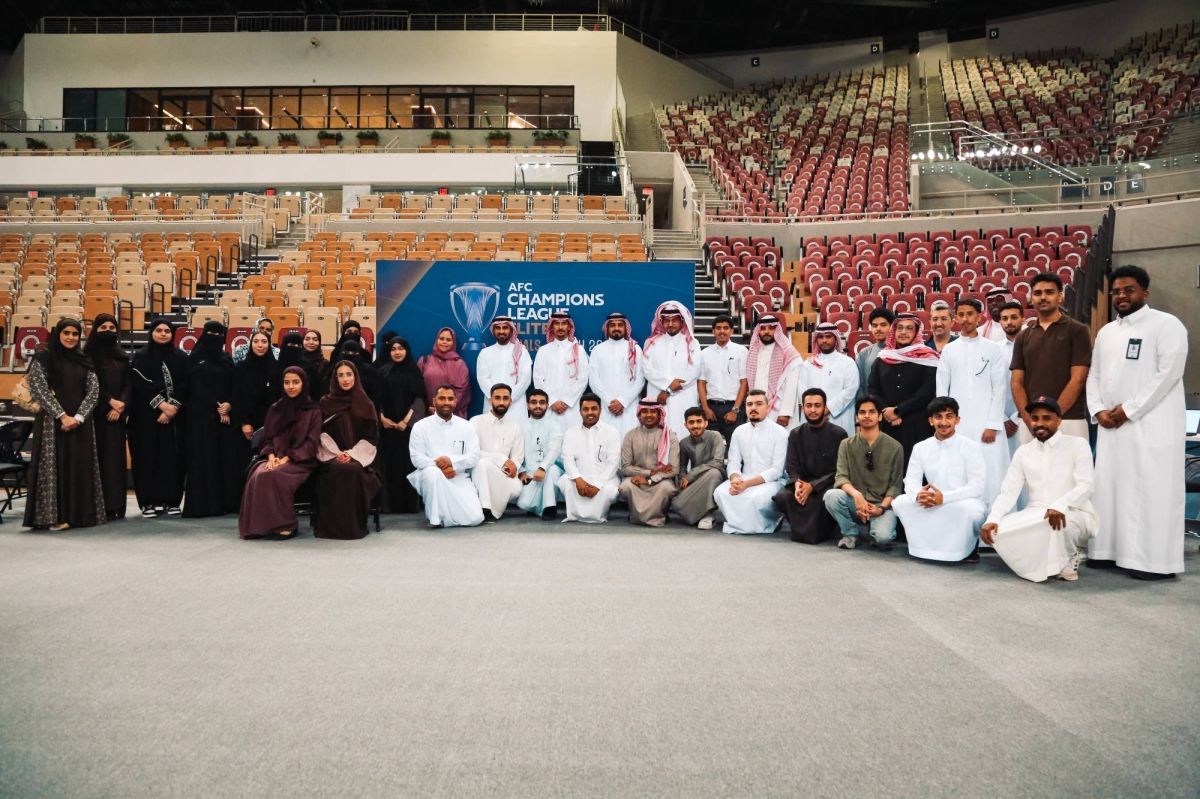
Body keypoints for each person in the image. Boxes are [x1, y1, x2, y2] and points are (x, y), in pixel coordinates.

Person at [1086, 265, 1188, 580]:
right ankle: (1107, 551)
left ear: (1145, 292)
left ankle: (1152, 562)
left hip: (1151, 425)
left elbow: (1168, 374)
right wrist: (1098, 410)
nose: (1121, 295)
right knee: (1110, 488)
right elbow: (1094, 375)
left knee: (1150, 491)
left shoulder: (1166, 325)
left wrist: (1128, 410)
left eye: (1128, 290)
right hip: (1111, 427)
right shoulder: (1106, 332)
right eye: (1116, 291)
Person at [980, 397, 1097, 582]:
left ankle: (1070, 555)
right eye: (1035, 418)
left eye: (1046, 418)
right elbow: (1008, 491)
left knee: (1059, 522)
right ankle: (1043, 560)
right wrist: (992, 519)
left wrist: (1060, 505)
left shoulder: (1077, 444)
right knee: (998, 531)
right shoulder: (1023, 452)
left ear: (1059, 420)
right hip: (1035, 513)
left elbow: (1086, 485)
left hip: (1074, 511)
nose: (1040, 423)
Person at [22, 319, 106, 530]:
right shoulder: (44, 358)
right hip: (52, 423)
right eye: (66, 333)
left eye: (75, 334)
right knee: (54, 467)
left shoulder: (84, 360)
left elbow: (93, 392)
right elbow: (38, 389)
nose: (71, 337)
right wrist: (62, 416)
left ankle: (78, 516)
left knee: (78, 466)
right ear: (57, 334)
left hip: (80, 424)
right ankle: (53, 516)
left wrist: (78, 417)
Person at [892, 397, 986, 562]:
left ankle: (968, 547)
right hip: (930, 500)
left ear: (957, 420)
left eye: (949, 416)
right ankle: (926, 548)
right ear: (930, 421)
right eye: (938, 417)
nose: (943, 422)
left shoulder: (971, 447)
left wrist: (944, 498)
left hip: (960, 501)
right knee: (900, 502)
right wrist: (919, 495)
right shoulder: (921, 447)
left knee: (973, 512)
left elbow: (977, 486)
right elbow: (910, 480)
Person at [936, 298, 1010, 506]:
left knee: (990, 470)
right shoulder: (949, 350)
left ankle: (992, 519)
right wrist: (944, 423)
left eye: (970, 314)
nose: (965, 319)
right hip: (958, 424)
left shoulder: (992, 349)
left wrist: (993, 425)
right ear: (956, 318)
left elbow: (999, 389)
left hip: (986, 424)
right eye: (961, 314)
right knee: (959, 470)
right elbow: (942, 390)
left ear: (980, 317)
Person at [239, 366, 322, 540]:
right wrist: (271, 456)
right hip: (274, 457)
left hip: (301, 461)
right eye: (287, 382)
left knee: (273, 475)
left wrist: (286, 458)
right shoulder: (276, 408)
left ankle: (286, 525)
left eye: (296, 382)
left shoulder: (313, 410)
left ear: (304, 383)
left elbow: (311, 444)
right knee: (258, 473)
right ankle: (259, 526)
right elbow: (267, 439)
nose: (291, 386)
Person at [1010, 272, 1091, 443]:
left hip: (1069, 419)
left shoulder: (1077, 330)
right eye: (1037, 293)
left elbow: (1078, 379)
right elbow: (1016, 382)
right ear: (1031, 298)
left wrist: (1053, 416)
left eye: (1049, 292)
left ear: (1060, 297)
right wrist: (1029, 419)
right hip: (1031, 423)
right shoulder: (1023, 336)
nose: (1043, 297)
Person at [824, 395, 905, 549]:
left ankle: (869, 531)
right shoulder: (846, 444)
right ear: (857, 417)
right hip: (855, 503)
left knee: (883, 537)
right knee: (831, 496)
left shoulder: (895, 447)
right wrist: (857, 495)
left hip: (881, 505)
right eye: (862, 412)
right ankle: (851, 534)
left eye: (872, 412)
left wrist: (880, 509)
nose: (867, 416)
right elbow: (841, 477)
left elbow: (895, 487)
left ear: (880, 416)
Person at [314, 361, 382, 539]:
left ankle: (353, 528)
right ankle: (330, 528)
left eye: (349, 374)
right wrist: (337, 454)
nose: (345, 379)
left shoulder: (365, 403)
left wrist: (352, 454)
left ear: (355, 377)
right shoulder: (325, 403)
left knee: (351, 470)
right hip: (330, 456)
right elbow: (320, 434)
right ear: (335, 378)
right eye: (341, 375)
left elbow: (371, 438)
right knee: (337, 469)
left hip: (361, 459)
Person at [182, 321, 243, 517]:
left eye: (219, 334)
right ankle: (203, 506)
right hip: (200, 418)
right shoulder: (195, 358)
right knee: (202, 460)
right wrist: (218, 407)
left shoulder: (226, 358)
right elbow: (195, 386)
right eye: (211, 333)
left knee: (224, 460)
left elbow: (235, 384)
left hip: (225, 420)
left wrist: (228, 405)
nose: (215, 337)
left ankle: (225, 503)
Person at [128, 318, 187, 517]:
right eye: (159, 330)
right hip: (146, 418)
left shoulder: (180, 357)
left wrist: (173, 407)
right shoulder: (141, 357)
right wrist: (162, 405)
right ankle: (148, 502)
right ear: (151, 332)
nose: (163, 334)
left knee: (172, 459)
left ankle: (171, 501)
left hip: (174, 419)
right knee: (146, 458)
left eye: (167, 331)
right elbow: (140, 384)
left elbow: (185, 383)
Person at [772, 388, 848, 544]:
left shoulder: (839, 434)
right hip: (802, 483)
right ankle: (804, 528)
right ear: (803, 408)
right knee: (782, 497)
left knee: (823, 500)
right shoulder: (795, 434)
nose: (813, 410)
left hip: (827, 484)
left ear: (824, 407)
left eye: (817, 405)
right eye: (809, 405)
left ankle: (823, 529)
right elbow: (791, 466)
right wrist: (797, 484)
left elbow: (839, 470)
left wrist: (813, 486)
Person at [407, 384, 484, 528]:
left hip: (458, 475)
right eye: (442, 398)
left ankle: (446, 517)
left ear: (455, 401)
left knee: (475, 518)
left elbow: (474, 456)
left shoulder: (466, 426)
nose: (446, 402)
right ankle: (435, 519)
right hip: (429, 475)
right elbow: (417, 459)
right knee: (433, 474)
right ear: (434, 401)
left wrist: (452, 463)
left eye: (450, 399)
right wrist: (440, 466)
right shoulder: (420, 426)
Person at [713, 389, 789, 534]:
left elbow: (777, 470)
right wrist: (735, 479)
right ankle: (741, 524)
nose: (753, 408)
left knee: (756, 498)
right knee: (720, 492)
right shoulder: (739, 431)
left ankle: (768, 522)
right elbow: (733, 462)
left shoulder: (780, 432)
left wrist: (746, 484)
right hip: (744, 477)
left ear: (768, 407)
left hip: (771, 481)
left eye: (759, 404)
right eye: (749, 404)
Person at [868, 313, 938, 466]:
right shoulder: (882, 358)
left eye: (909, 328)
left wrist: (898, 411)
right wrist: (887, 411)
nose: (904, 332)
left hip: (917, 424)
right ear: (894, 331)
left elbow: (926, 393)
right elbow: (873, 390)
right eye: (900, 328)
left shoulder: (928, 358)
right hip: (888, 424)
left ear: (916, 332)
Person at [84, 313, 131, 519]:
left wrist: (121, 405)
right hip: (96, 416)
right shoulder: (87, 357)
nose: (108, 331)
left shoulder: (121, 356)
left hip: (117, 418)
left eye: (112, 328)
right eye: (103, 328)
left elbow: (129, 384)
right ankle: (98, 506)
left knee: (115, 462)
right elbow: (88, 385)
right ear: (95, 330)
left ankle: (116, 506)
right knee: (98, 460)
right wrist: (109, 402)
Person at [376, 336, 426, 514]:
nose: (397, 352)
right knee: (389, 465)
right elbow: (377, 398)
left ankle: (409, 505)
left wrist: (406, 421)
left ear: (407, 350)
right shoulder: (383, 371)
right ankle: (389, 505)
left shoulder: (414, 371)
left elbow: (420, 398)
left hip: (408, 429)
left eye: (400, 348)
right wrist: (382, 418)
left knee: (407, 463)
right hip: (387, 429)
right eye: (393, 349)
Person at [557, 393, 621, 524]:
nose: (590, 412)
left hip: (605, 478)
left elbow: (613, 463)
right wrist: (578, 479)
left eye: (594, 409)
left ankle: (598, 514)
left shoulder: (611, 432)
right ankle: (575, 514)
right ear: (580, 411)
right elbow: (567, 459)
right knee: (563, 482)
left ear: (600, 410)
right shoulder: (571, 432)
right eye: (585, 409)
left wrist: (598, 484)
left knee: (610, 491)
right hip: (580, 477)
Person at [642, 301, 702, 438]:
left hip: (683, 395)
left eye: (674, 320)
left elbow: (694, 370)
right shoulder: (651, 342)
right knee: (658, 434)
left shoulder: (692, 342)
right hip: (657, 394)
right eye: (666, 321)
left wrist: (668, 390)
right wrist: (668, 385)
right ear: (661, 322)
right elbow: (646, 369)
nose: (670, 324)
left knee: (683, 431)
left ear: (682, 321)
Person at [618, 399, 680, 527]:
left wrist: (650, 480)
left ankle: (648, 516)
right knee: (625, 486)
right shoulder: (630, 436)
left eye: (653, 412)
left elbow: (673, 469)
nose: (649, 415)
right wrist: (648, 472)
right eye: (644, 412)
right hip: (636, 478)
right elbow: (625, 467)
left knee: (667, 488)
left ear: (659, 414)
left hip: (661, 480)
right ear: (639, 415)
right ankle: (640, 515)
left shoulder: (669, 436)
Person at [470, 383, 525, 522]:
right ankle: (486, 509)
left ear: (510, 402)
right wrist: (501, 459)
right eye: (497, 398)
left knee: (517, 488)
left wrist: (513, 466)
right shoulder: (476, 422)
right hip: (479, 472)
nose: (501, 402)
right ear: (490, 400)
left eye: (505, 398)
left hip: (503, 474)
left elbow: (517, 457)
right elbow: (472, 453)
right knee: (482, 464)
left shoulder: (515, 426)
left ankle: (489, 508)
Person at [588, 311, 645, 438]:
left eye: (620, 325)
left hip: (629, 406)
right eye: (612, 325)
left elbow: (640, 380)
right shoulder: (598, 350)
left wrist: (623, 402)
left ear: (625, 328)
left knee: (629, 441)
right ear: (607, 328)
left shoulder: (635, 349)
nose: (616, 328)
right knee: (605, 441)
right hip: (606, 407)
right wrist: (610, 403)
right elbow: (593, 380)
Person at [669, 406, 727, 529]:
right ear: (686, 425)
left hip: (717, 477)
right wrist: (683, 477)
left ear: (706, 423)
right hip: (695, 480)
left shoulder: (715, 436)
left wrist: (691, 475)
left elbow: (718, 462)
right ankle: (696, 514)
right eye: (691, 422)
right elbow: (682, 465)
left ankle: (707, 514)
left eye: (699, 421)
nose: (695, 426)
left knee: (713, 473)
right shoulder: (684, 443)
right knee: (676, 502)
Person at [533, 310, 590, 433]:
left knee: (572, 439)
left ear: (569, 327)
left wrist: (566, 401)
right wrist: (552, 401)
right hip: (549, 407)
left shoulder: (579, 350)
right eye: (557, 323)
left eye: (564, 323)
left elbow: (583, 379)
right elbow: (538, 379)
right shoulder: (543, 350)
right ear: (552, 327)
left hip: (571, 408)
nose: (560, 327)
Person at [232, 331, 282, 464]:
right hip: (247, 425)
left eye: (264, 342)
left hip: (271, 424)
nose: (260, 345)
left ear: (269, 344)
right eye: (256, 341)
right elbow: (237, 397)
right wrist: (244, 422)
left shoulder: (277, 369)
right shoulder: (241, 368)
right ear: (251, 344)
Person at [744, 314, 802, 428]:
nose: (767, 331)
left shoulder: (789, 352)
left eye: (771, 328)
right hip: (757, 407)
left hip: (778, 409)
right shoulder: (754, 350)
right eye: (763, 328)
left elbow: (792, 386)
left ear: (776, 330)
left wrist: (785, 412)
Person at [697, 314, 748, 445]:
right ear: (713, 331)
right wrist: (705, 408)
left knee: (736, 447)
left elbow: (744, 383)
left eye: (726, 328)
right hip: (711, 409)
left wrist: (735, 410)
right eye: (718, 328)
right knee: (709, 448)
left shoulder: (741, 351)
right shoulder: (705, 353)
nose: (722, 331)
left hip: (733, 407)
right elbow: (701, 383)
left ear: (732, 331)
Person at [800, 322, 858, 434]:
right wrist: (815, 409)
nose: (824, 340)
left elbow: (851, 390)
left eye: (828, 336)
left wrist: (829, 408)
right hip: (813, 416)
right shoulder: (808, 364)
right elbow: (802, 390)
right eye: (820, 337)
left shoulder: (848, 362)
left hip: (839, 417)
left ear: (836, 338)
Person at [516, 389, 564, 520]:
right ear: (528, 405)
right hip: (529, 472)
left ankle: (550, 507)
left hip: (550, 468)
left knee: (552, 471)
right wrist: (521, 472)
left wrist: (543, 468)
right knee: (524, 504)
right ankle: (537, 507)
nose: (538, 405)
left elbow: (555, 450)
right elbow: (516, 452)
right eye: (534, 402)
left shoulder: (554, 425)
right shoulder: (520, 426)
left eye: (542, 402)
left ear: (547, 405)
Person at [476, 316, 532, 418]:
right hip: (492, 403)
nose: (501, 331)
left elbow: (525, 379)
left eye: (505, 328)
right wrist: (496, 398)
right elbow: (483, 379)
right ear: (493, 331)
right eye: (498, 328)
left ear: (511, 330)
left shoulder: (522, 351)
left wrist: (509, 398)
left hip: (516, 405)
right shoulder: (485, 353)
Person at [418, 328, 471, 418]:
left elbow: (463, 391)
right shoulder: (424, 361)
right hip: (428, 414)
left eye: (448, 340)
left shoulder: (460, 364)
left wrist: (445, 409)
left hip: (453, 415)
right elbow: (417, 388)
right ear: (437, 340)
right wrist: (427, 407)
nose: (444, 342)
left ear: (453, 342)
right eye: (441, 338)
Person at [997, 301, 1026, 458]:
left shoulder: (1032, 345)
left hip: (1027, 415)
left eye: (1014, 317)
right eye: (1005, 318)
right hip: (1000, 418)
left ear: (1022, 319)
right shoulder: (995, 350)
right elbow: (991, 386)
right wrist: (1003, 418)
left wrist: (1016, 418)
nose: (1009, 322)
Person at [326, 333, 382, 407]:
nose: (350, 355)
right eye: (346, 353)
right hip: (336, 409)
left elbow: (375, 396)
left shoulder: (369, 372)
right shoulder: (332, 370)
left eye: (354, 353)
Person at [855, 308, 894, 397]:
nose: (878, 329)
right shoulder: (864, 354)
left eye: (883, 325)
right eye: (874, 325)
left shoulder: (901, 352)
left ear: (892, 327)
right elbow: (860, 386)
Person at [298, 329, 328, 399]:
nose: (311, 342)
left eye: (315, 340)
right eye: (307, 339)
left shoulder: (325, 364)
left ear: (319, 342)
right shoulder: (297, 361)